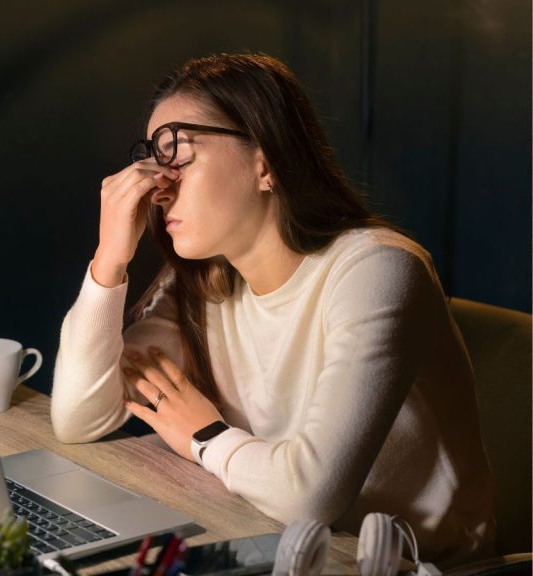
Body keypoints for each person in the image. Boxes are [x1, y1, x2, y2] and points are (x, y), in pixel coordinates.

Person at [50, 52, 494, 567]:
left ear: (265, 161)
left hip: (404, 566)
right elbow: (80, 417)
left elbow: (311, 495)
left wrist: (206, 436)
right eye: (152, 159)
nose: (158, 185)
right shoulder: (202, 280)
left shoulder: (378, 270)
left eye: (177, 154)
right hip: (273, 543)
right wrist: (110, 259)